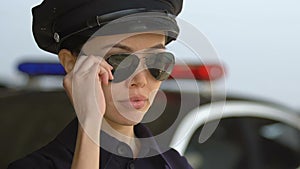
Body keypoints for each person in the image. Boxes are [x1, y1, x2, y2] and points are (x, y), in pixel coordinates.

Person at [8, 0, 193, 168]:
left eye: (156, 61)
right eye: (120, 61)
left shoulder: (176, 164)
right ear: (71, 64)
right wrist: (89, 123)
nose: (141, 81)